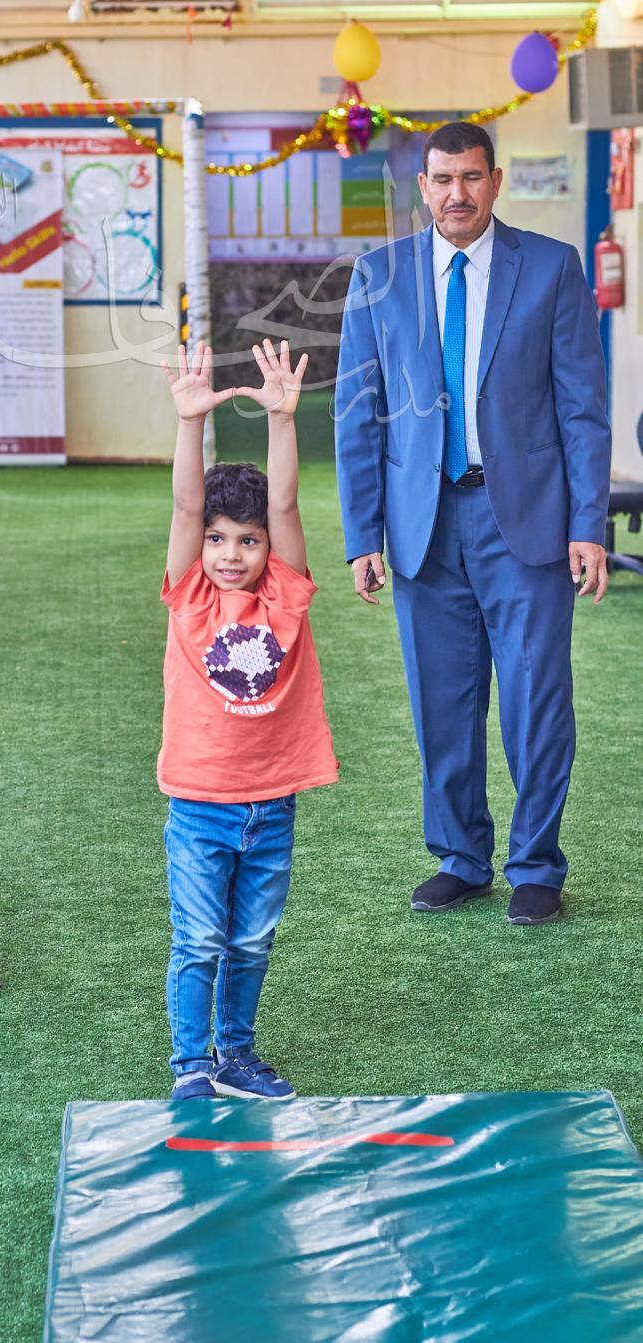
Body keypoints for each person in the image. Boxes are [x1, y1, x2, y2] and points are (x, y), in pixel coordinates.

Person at [335, 122, 611, 925]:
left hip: (526, 519)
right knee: (442, 704)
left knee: (536, 700)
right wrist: (362, 535)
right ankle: (460, 858)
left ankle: (536, 865)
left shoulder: (551, 268)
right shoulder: (379, 276)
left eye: (471, 177)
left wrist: (588, 523)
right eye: (442, 179)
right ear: (422, 187)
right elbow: (359, 414)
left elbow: (583, 410)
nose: (456, 194)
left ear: (496, 180)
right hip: (422, 525)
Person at [159, 338, 338, 1101]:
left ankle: (234, 1054)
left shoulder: (286, 596)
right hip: (201, 804)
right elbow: (185, 505)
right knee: (200, 938)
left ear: (269, 547)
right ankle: (190, 1066)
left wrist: (282, 420)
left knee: (252, 940)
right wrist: (190, 422)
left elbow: (286, 504)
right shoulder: (190, 595)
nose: (230, 553)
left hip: (272, 804)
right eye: (218, 539)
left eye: (248, 540)